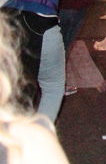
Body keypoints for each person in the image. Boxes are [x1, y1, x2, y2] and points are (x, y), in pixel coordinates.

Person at [0, 12, 70, 164]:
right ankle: (43, 121)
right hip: (45, 19)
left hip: (19, 15)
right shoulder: (29, 144)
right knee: (53, 86)